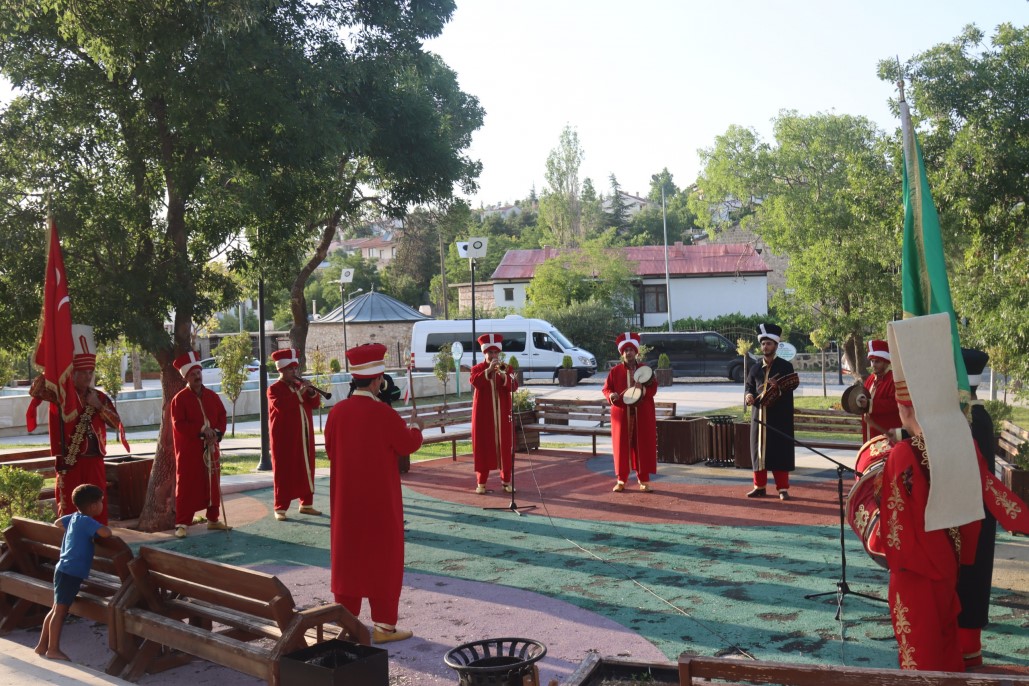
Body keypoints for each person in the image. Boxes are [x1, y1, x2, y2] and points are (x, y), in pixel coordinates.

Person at [880, 315, 1029, 671]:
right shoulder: (957, 434)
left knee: (924, 649)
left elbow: (895, 521)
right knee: (946, 637)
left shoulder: (910, 451)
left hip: (925, 557)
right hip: (951, 548)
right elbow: (986, 485)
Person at [325, 343, 423, 644]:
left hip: (346, 502)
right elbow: (408, 445)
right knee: (384, 557)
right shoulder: (383, 413)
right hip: (380, 502)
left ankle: (346, 621)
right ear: (378, 380)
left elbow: (330, 450)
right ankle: (384, 626)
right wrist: (417, 428)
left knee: (349, 556)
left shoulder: (337, 413)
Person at [51, 325, 128, 525]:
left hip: (94, 459)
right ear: (72, 373)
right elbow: (37, 389)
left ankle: (99, 537)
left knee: (97, 503)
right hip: (71, 460)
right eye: (83, 372)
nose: (88, 376)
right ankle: (71, 538)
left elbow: (115, 422)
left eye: (90, 372)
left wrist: (99, 406)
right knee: (70, 504)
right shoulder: (62, 396)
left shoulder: (99, 397)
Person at [34, 483, 112, 661]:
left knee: (55, 609)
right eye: (101, 502)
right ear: (93, 506)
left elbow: (57, 522)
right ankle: (53, 649)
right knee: (60, 611)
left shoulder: (75, 518)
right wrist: (96, 527)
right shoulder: (86, 521)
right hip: (71, 573)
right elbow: (106, 532)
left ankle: (42, 645)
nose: (102, 505)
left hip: (63, 569)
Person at [955, 348, 997, 668]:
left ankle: (968, 649)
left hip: (973, 514)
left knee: (970, 580)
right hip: (970, 510)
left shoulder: (974, 421)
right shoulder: (974, 417)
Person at [170, 350, 229, 538]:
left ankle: (213, 519)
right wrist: (202, 431)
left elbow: (221, 416)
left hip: (211, 448)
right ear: (186, 377)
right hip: (190, 450)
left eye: (198, 373)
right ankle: (182, 523)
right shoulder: (179, 399)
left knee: (212, 483)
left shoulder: (212, 396)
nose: (197, 376)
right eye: (193, 374)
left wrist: (217, 433)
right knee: (187, 485)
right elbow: (179, 424)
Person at [267, 348, 322, 521]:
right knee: (284, 471)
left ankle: (306, 504)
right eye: (290, 369)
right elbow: (282, 406)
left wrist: (311, 391)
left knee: (306, 468)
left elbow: (314, 404)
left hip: (305, 436)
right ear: (281, 370)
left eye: (294, 369)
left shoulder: (299, 386)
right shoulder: (274, 389)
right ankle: (280, 507)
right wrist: (301, 392)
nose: (294, 372)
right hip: (284, 439)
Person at [744, 323, 795, 500]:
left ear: (776, 346)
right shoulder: (755, 368)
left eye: (769, 344)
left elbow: (790, 389)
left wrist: (777, 388)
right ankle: (759, 487)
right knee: (758, 451)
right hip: (758, 416)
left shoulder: (785, 367)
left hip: (778, 417)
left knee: (779, 450)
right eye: (763, 344)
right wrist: (749, 395)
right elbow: (749, 386)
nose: (765, 347)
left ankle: (782, 488)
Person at [601, 332, 657, 492]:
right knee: (621, 447)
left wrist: (643, 389)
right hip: (622, 415)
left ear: (636, 352)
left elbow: (653, 388)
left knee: (643, 446)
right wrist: (611, 395)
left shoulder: (645, 370)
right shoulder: (615, 371)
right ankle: (621, 480)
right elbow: (606, 388)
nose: (628, 353)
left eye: (631, 350)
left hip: (642, 415)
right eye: (625, 350)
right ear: (622, 353)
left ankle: (644, 480)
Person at [469, 334, 518, 494]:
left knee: (505, 447)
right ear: (484, 353)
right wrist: (488, 371)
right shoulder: (477, 369)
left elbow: (514, 386)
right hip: (484, 416)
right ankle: (481, 483)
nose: (493, 356)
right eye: (490, 353)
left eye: (496, 353)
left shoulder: (507, 368)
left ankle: (506, 482)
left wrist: (503, 376)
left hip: (503, 415)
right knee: (483, 446)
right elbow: (475, 382)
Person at [861, 339, 902, 442]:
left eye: (877, 361)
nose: (873, 365)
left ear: (886, 361)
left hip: (887, 431)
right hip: (869, 431)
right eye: (872, 361)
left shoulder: (893, 379)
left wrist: (870, 404)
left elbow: (895, 403)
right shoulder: (871, 379)